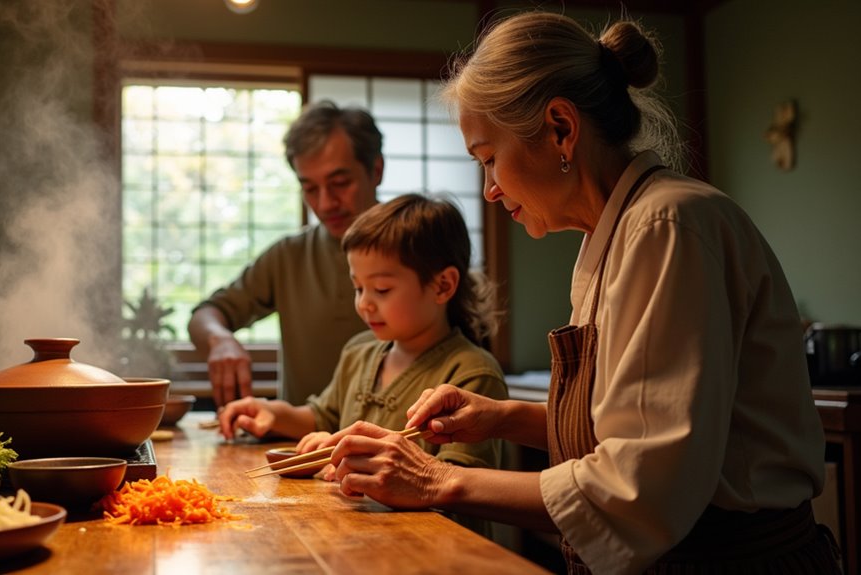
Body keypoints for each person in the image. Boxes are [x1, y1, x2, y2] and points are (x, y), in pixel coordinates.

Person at [321, 11, 841, 574]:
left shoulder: (667, 225)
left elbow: (640, 482)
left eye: (490, 158)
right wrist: (500, 417)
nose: (490, 190)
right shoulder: (615, 234)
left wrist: (440, 479)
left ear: (561, 129)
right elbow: (635, 424)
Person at [217, 193, 508, 481]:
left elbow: (463, 485)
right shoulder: (360, 351)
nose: (364, 303)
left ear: (442, 285)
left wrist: (370, 464)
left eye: (381, 289)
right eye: (358, 288)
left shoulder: (471, 374)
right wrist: (272, 413)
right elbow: (322, 417)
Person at [188, 101, 382, 409]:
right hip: (302, 448)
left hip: (400, 446)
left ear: (376, 169)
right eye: (309, 189)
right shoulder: (289, 256)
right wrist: (219, 340)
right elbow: (205, 314)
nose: (326, 203)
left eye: (340, 183)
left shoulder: (418, 245)